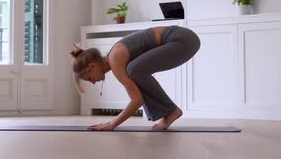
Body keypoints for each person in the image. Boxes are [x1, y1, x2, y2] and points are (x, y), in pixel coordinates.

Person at [70, 25, 201, 131]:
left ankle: (171, 111)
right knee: (133, 70)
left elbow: (136, 100)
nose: (92, 82)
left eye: (88, 78)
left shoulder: (115, 59)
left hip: (183, 40)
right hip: (184, 39)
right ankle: (170, 111)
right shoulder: (115, 57)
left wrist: (112, 123)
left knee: (134, 69)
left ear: (92, 66)